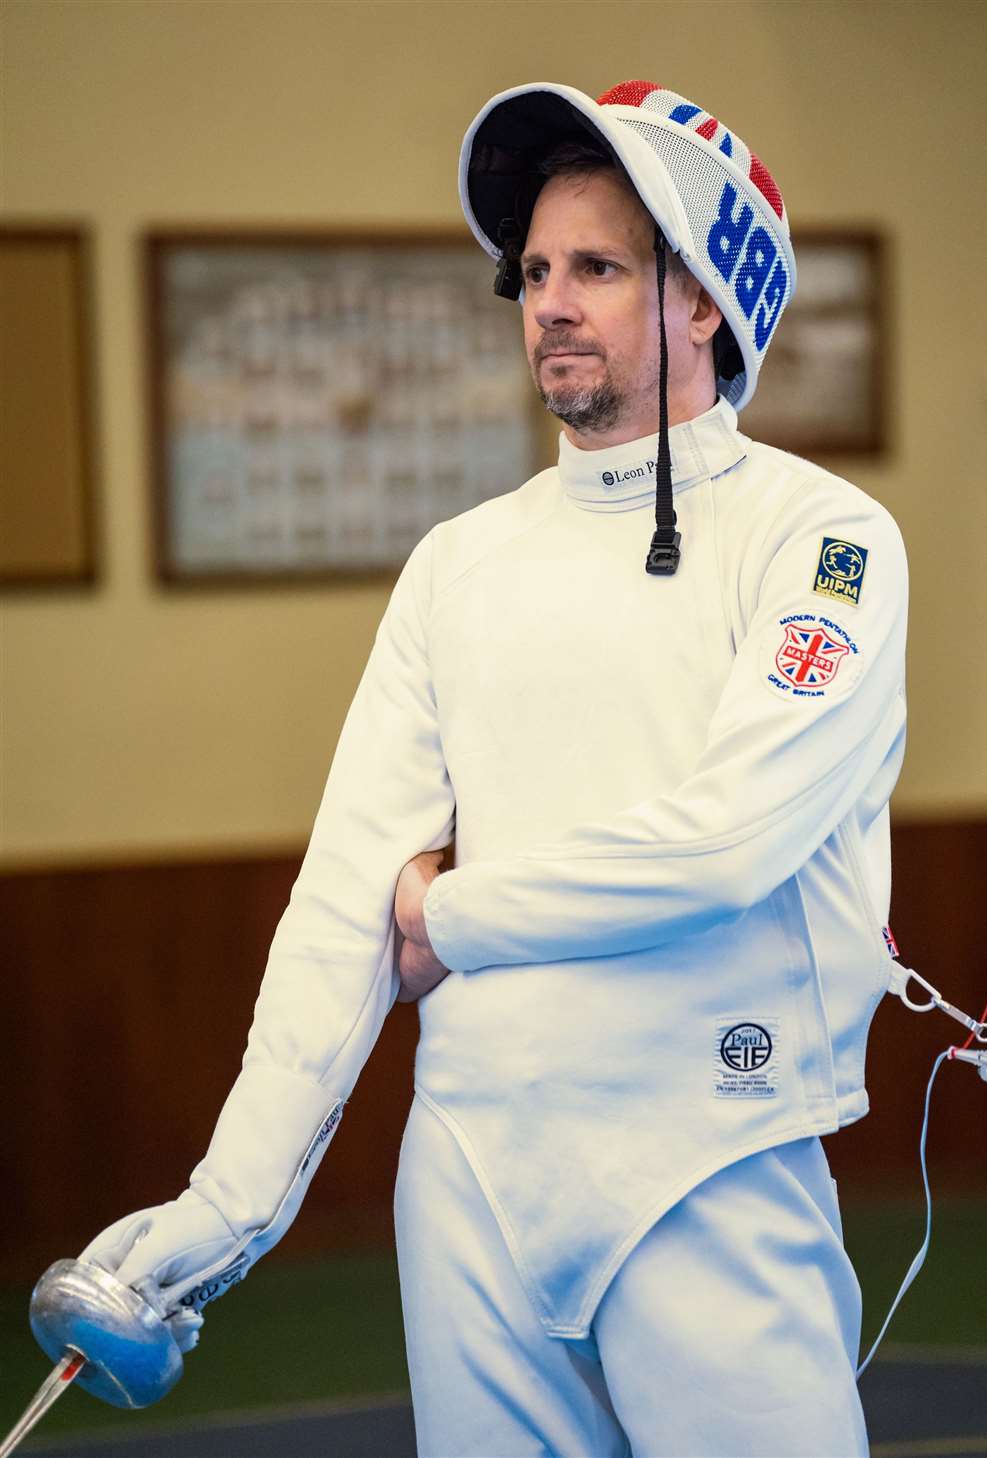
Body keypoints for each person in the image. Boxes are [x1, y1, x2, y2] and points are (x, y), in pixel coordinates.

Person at [82, 81, 907, 1457]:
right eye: (533, 271)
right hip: (472, 1176)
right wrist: (223, 1207)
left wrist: (446, 914)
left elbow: (721, 847)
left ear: (703, 299)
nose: (551, 304)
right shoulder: (458, 566)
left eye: (597, 266)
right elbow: (348, 889)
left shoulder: (825, 541)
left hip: (709, 1153)